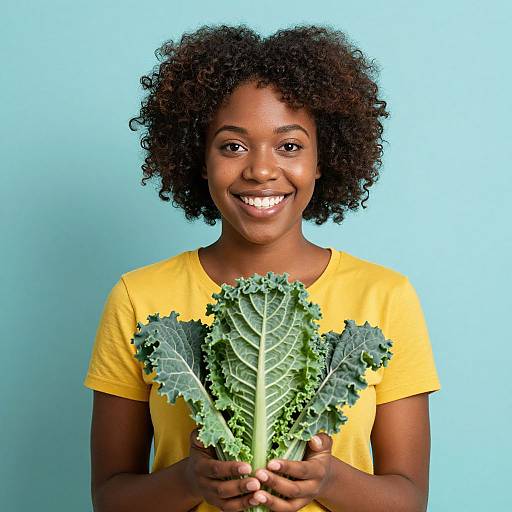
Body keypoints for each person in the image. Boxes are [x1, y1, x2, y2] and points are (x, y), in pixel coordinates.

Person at [83, 23, 441, 512]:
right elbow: (109, 499)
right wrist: (191, 480)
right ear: (199, 159)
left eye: (290, 146)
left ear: (322, 159)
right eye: (232, 145)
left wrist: (327, 480)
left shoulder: (385, 296)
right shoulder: (138, 296)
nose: (261, 170)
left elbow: (409, 501)